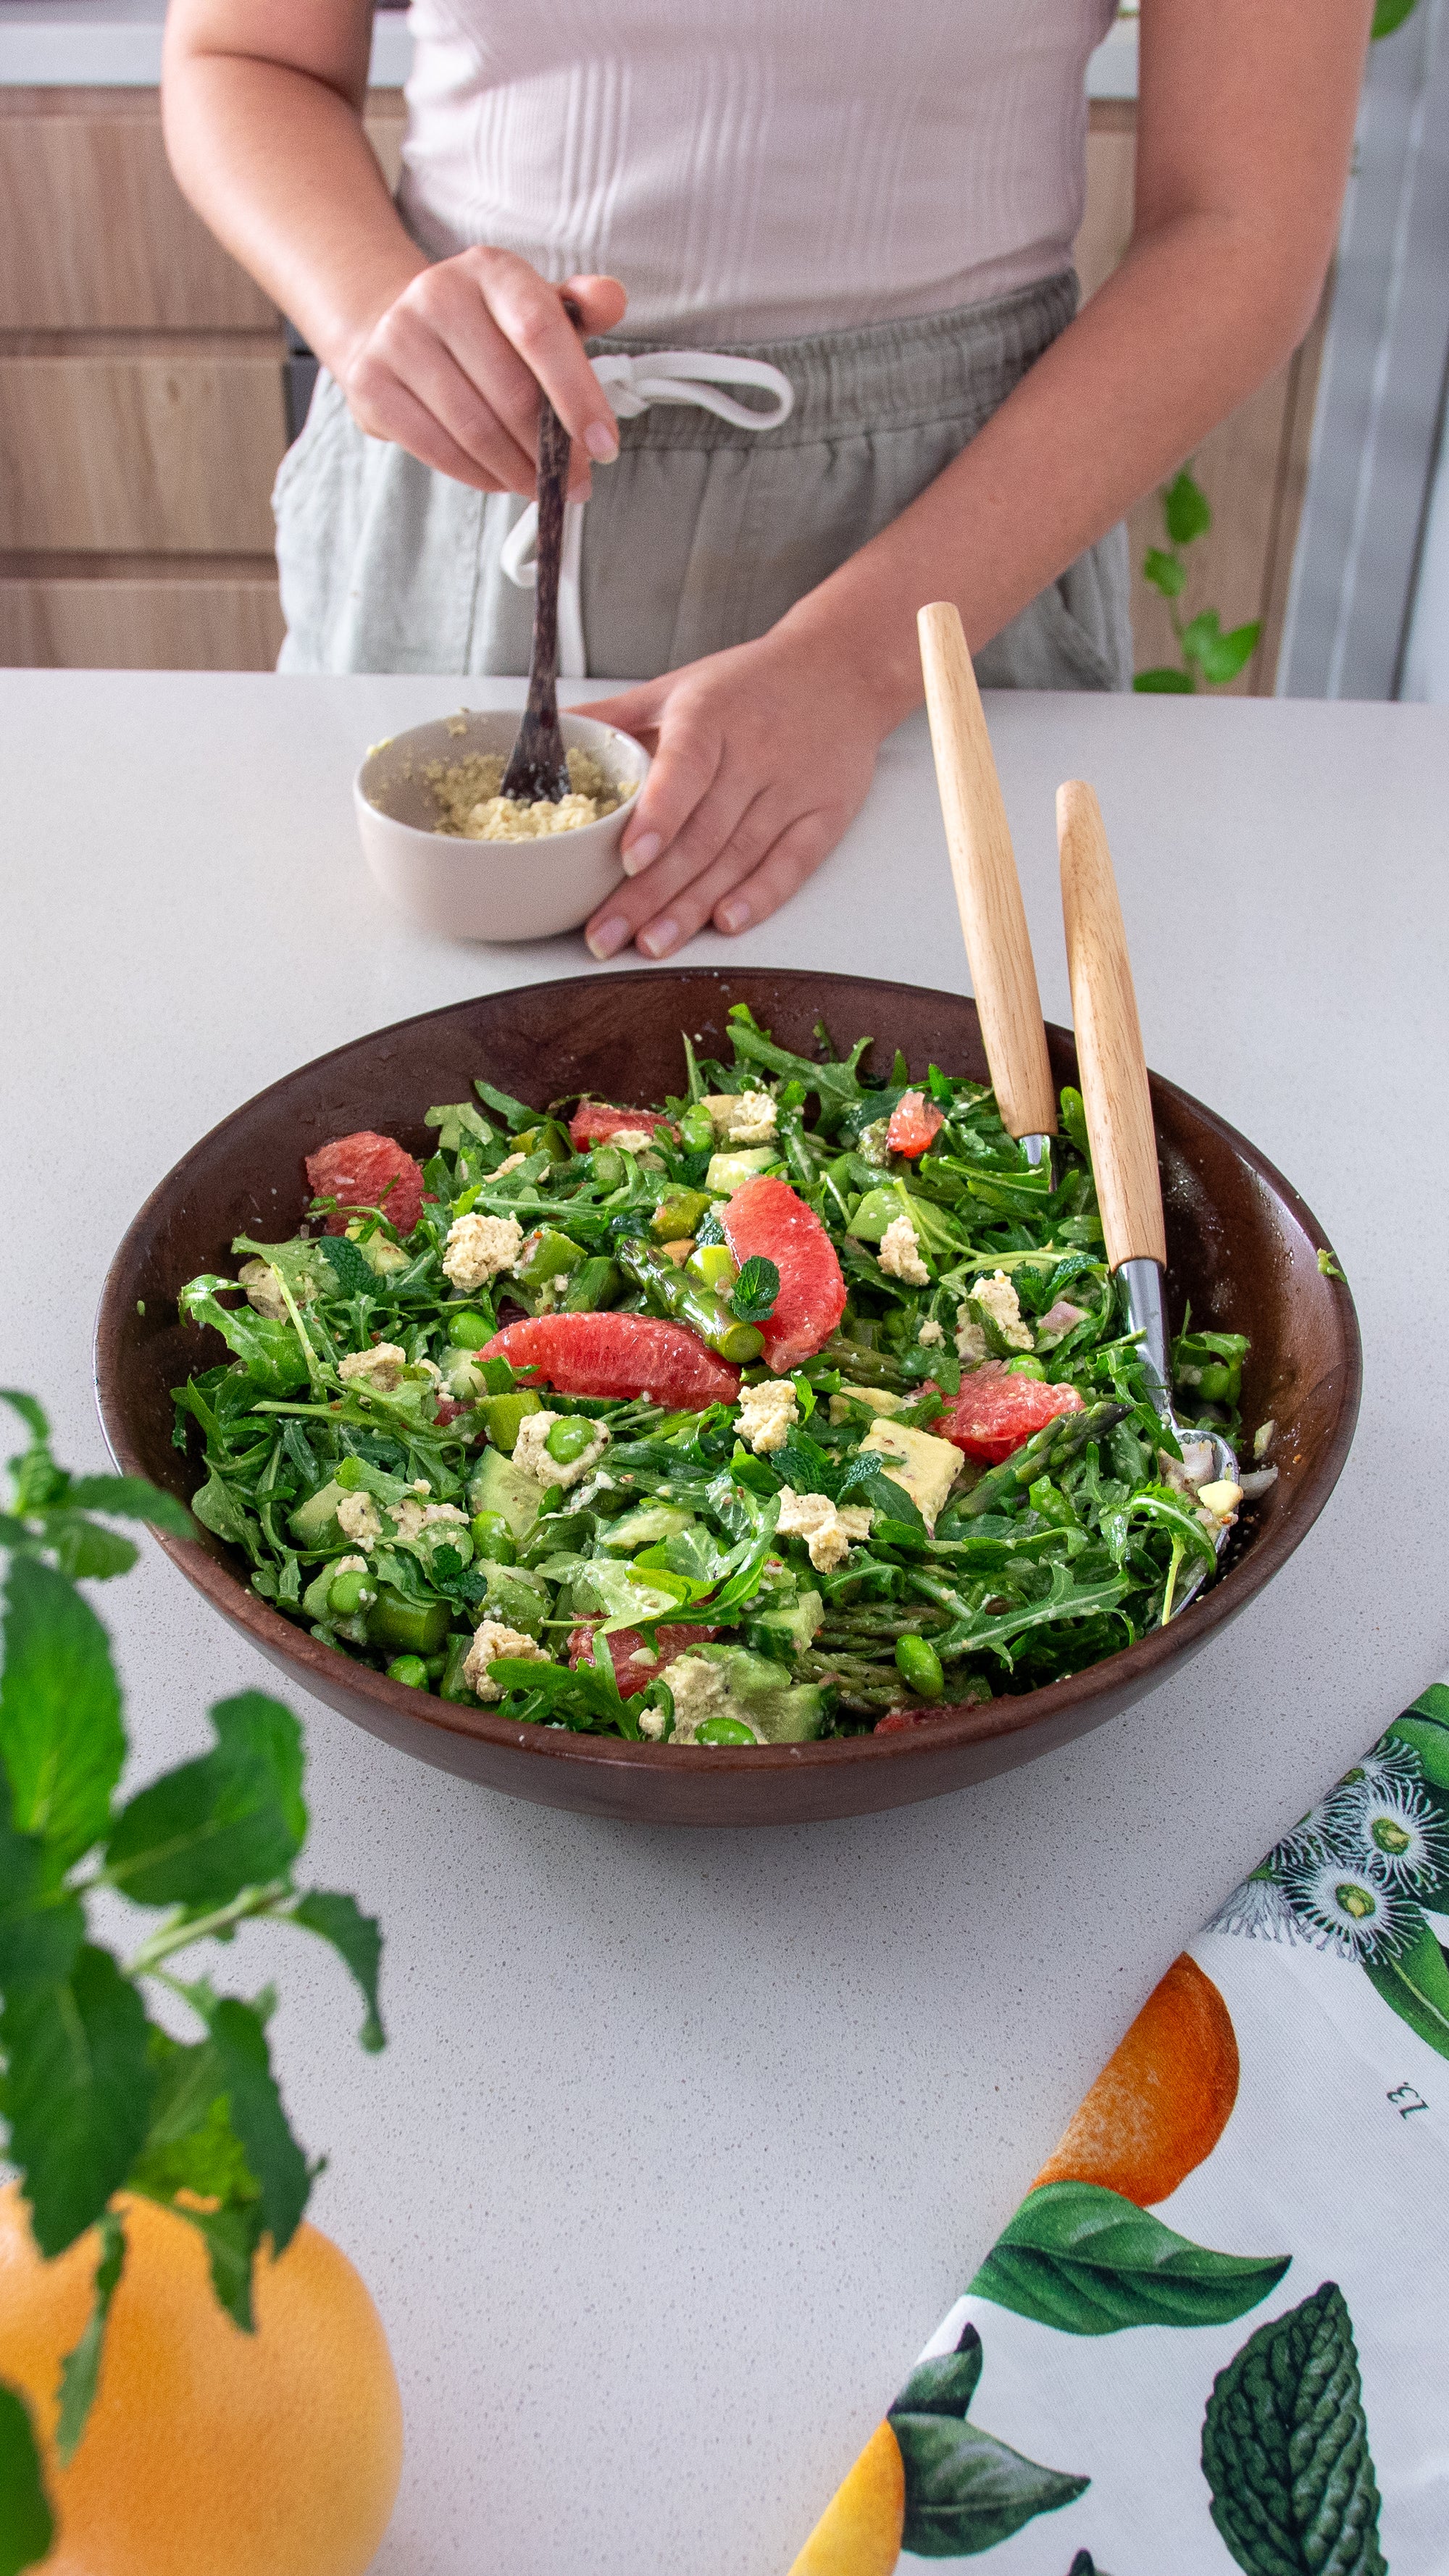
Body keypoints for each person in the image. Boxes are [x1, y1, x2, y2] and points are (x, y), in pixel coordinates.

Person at [162, 1, 1370, 962]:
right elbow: (243, 55)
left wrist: (857, 664)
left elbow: (1240, 221)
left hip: (946, 540)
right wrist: (373, 303)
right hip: (461, 474)